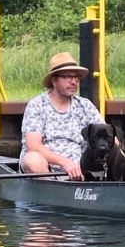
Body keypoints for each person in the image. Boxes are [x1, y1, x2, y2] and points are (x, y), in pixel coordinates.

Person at [19, 52, 103, 180]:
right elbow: (33, 146)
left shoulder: (85, 105)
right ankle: (53, 190)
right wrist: (65, 163)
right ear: (54, 80)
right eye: (68, 77)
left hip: (80, 169)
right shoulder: (37, 105)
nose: (74, 82)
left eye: (76, 78)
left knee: (115, 150)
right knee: (32, 159)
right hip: (46, 170)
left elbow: (106, 134)